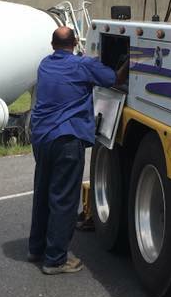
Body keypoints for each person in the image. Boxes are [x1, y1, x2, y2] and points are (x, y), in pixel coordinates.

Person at [28, 26, 126, 275]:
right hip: (66, 140)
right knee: (63, 199)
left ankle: (36, 249)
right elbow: (114, 79)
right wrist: (130, 62)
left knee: (43, 193)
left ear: (52, 46)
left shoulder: (44, 65)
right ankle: (55, 260)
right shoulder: (82, 66)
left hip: (41, 139)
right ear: (74, 44)